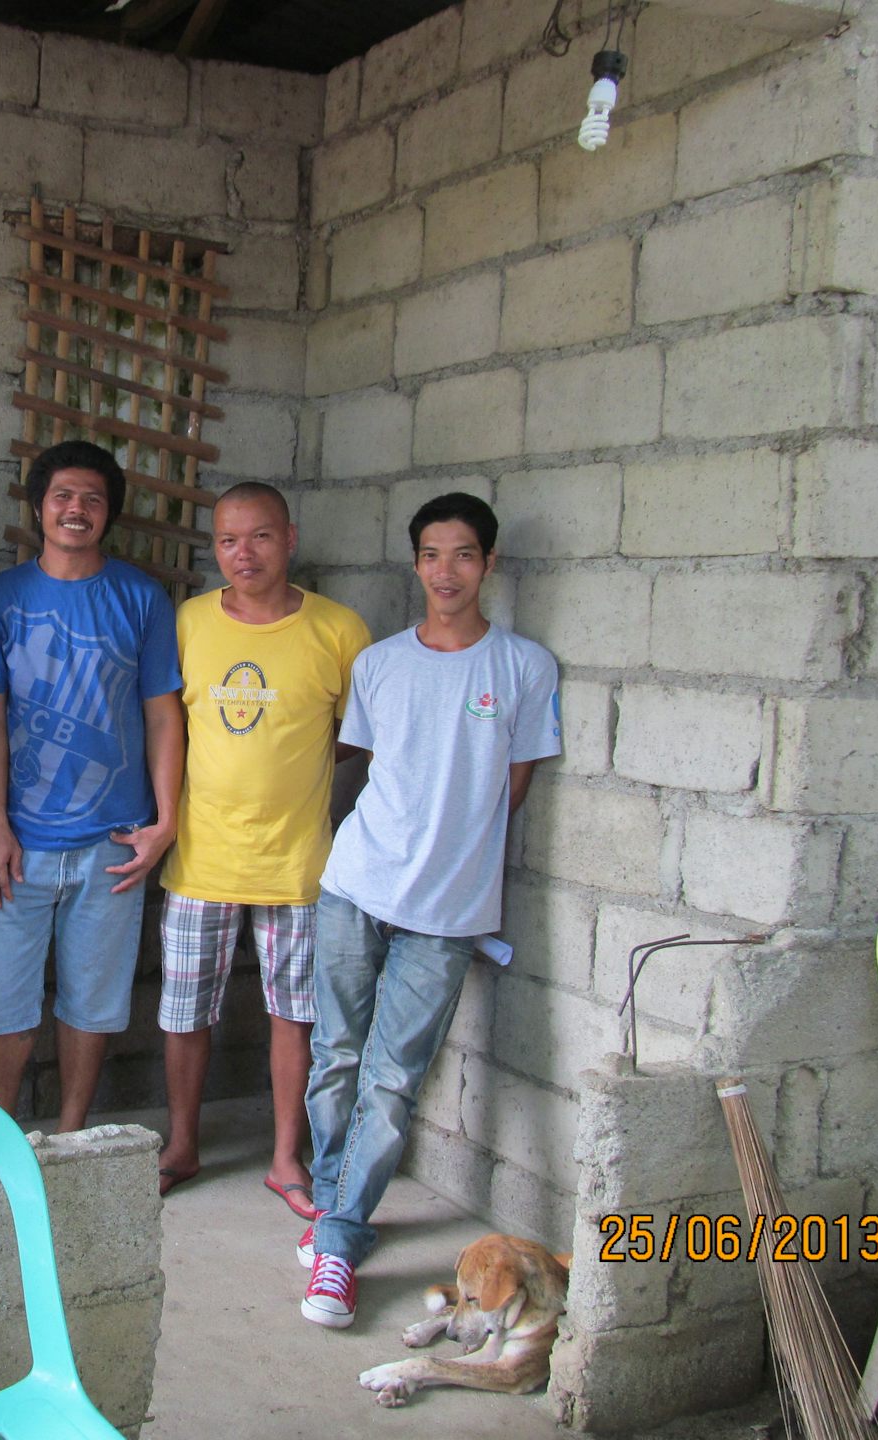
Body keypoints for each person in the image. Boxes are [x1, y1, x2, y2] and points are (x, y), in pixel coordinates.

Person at [299, 492, 561, 1329]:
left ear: (488, 565)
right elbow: (374, 769)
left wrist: (450, 861)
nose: (445, 571)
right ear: (415, 565)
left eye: (463, 555)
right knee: (336, 1055)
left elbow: (509, 791)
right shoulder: (378, 664)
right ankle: (342, 1212)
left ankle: (335, 1245)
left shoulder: (523, 668)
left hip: (447, 912)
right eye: (431, 555)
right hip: (354, 884)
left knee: (392, 1077)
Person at [155, 482, 371, 1208]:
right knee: (184, 1013)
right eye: (226, 540)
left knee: (295, 1015)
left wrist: (293, 757)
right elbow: (165, 729)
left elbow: (359, 737)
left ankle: (285, 1156)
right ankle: (182, 1145)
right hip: (200, 860)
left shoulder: (339, 630)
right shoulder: (187, 623)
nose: (241, 554)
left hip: (299, 863)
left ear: (291, 538)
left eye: (260, 538)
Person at [0, 439, 185, 1132]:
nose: (76, 510)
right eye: (62, 495)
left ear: (111, 512)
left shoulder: (141, 597)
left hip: (113, 845)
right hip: (18, 844)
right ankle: (1, 1135)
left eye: (92, 498)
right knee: (3, 1002)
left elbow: (162, 715)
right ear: (39, 506)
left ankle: (69, 1135)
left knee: (94, 1002)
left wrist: (165, 820)